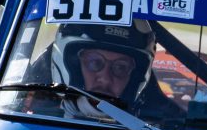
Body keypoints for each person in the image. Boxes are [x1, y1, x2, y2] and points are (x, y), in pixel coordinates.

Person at [19, 20, 178, 118]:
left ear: (135, 76)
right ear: (71, 65)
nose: (106, 78)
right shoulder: (23, 113)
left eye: (121, 67)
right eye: (95, 63)